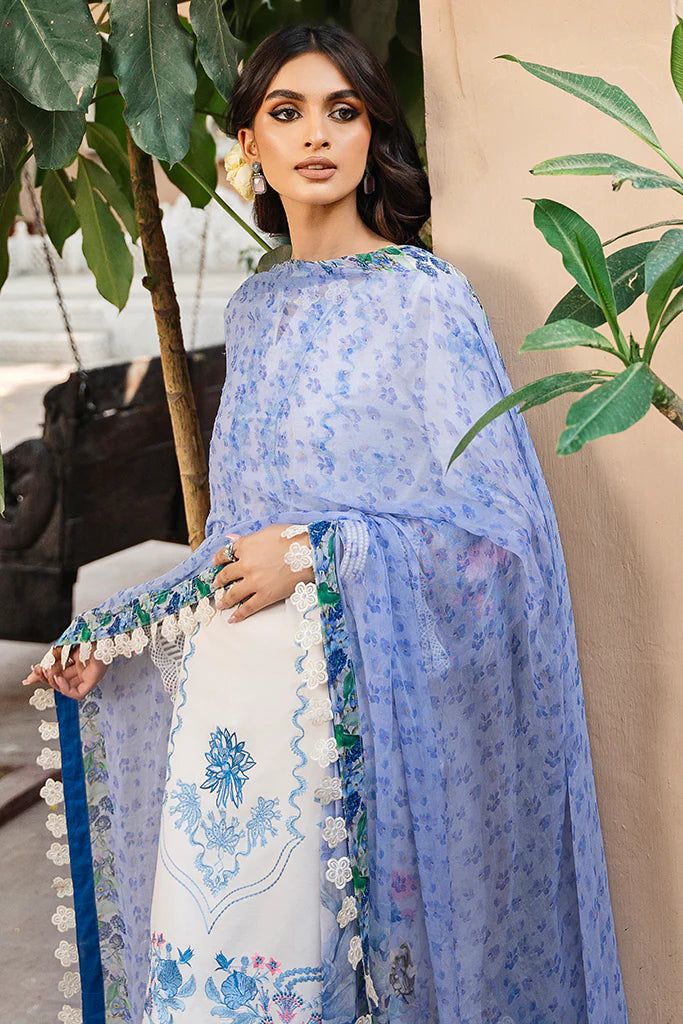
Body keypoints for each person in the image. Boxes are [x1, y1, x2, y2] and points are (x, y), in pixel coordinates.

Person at [22, 22, 629, 1024]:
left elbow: (500, 541)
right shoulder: (258, 310)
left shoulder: (425, 300)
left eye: (341, 112)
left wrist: (319, 552)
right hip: (235, 715)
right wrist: (116, 636)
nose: (315, 135)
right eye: (286, 112)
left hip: (350, 722)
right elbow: (231, 544)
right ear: (247, 144)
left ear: (370, 135)